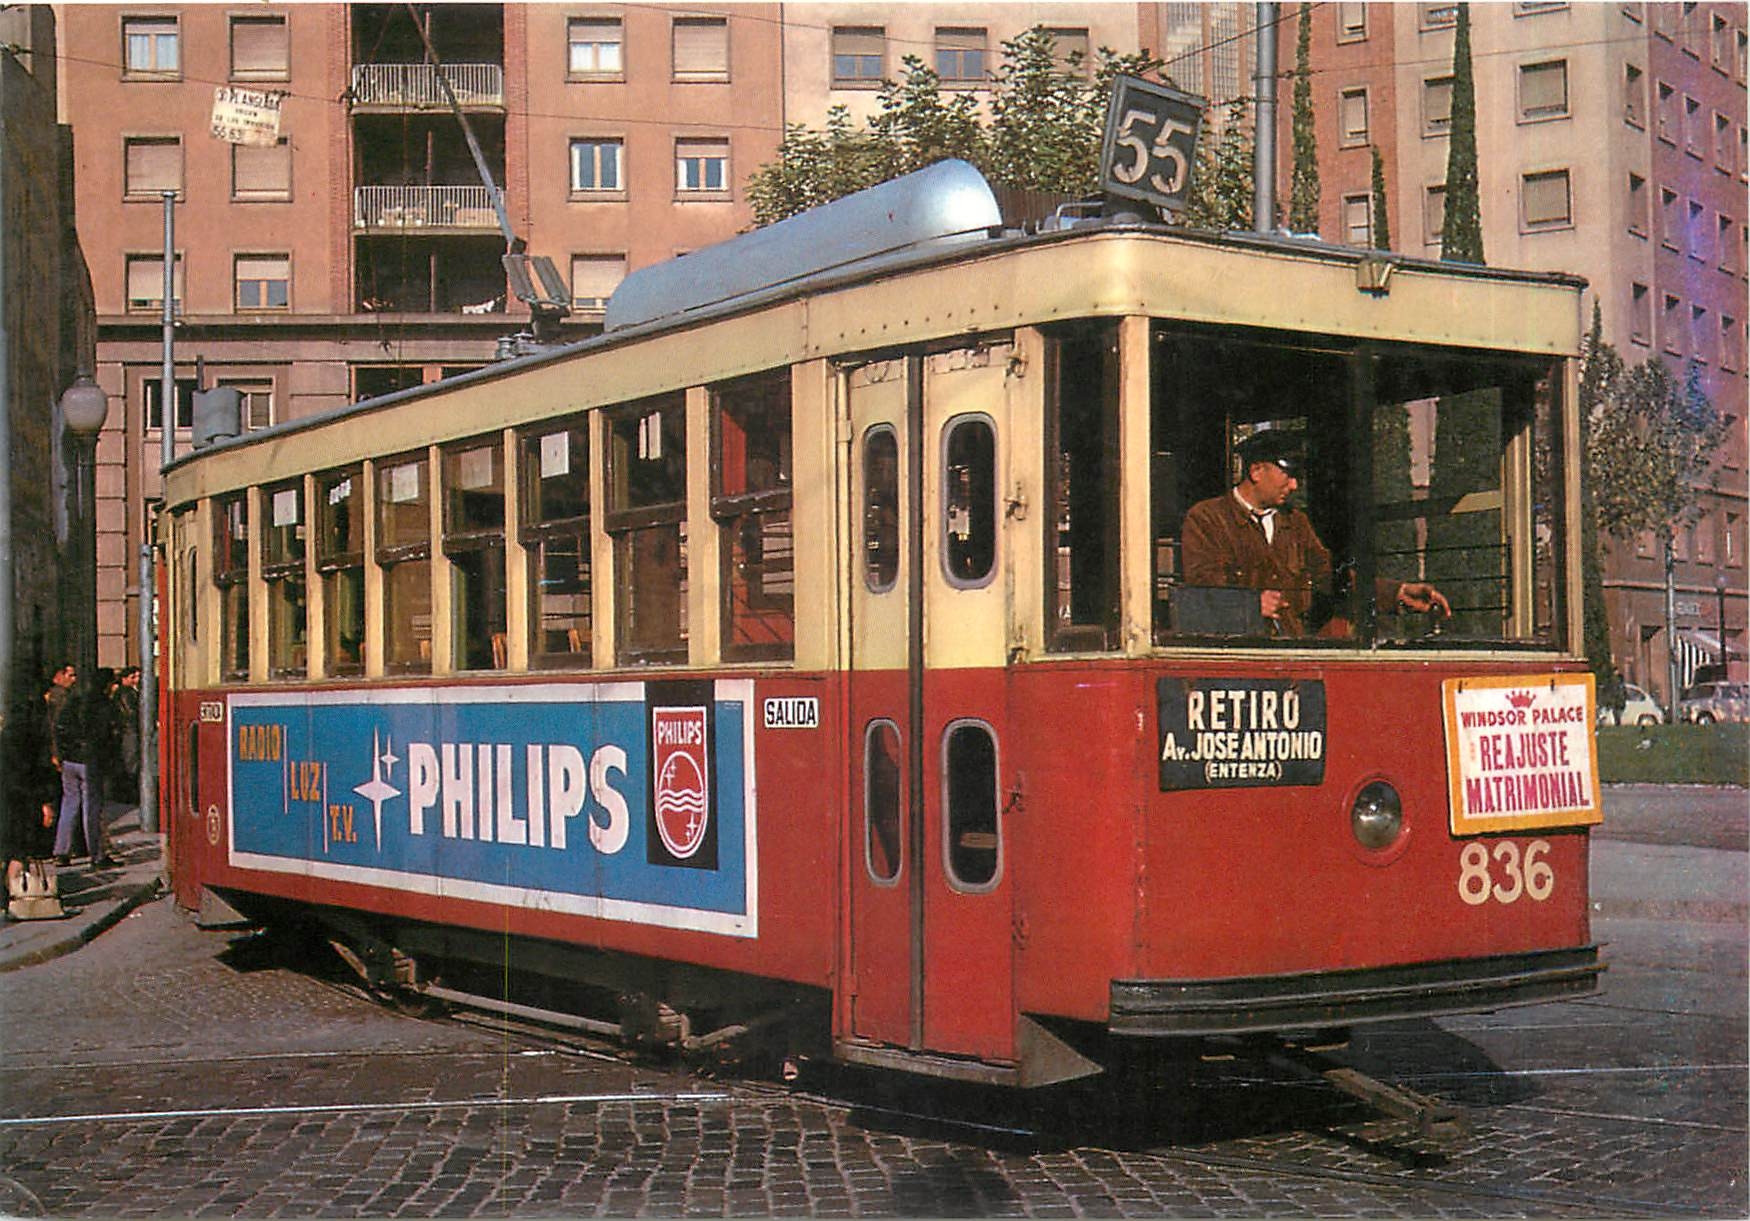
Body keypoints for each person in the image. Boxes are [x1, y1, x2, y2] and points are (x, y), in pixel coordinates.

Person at [1180, 430, 1450, 637]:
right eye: (1288, 473)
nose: (1295, 485)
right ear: (1256, 471)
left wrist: (1398, 592)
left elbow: (1331, 577)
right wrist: (1250, 606)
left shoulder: (1295, 523)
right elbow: (1203, 593)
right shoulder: (1207, 520)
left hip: (1294, 660)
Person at [51, 676, 116, 868]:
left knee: (69, 803)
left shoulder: (71, 705)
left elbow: (59, 729)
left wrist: (62, 754)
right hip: (90, 761)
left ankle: (61, 851)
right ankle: (96, 854)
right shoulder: (100, 706)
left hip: (70, 760)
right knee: (92, 807)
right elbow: (106, 735)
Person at [113, 666, 141, 799]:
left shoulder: (128, 692)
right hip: (129, 730)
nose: (137, 680)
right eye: (133, 677)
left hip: (128, 730)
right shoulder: (126, 693)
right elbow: (131, 712)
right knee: (131, 762)